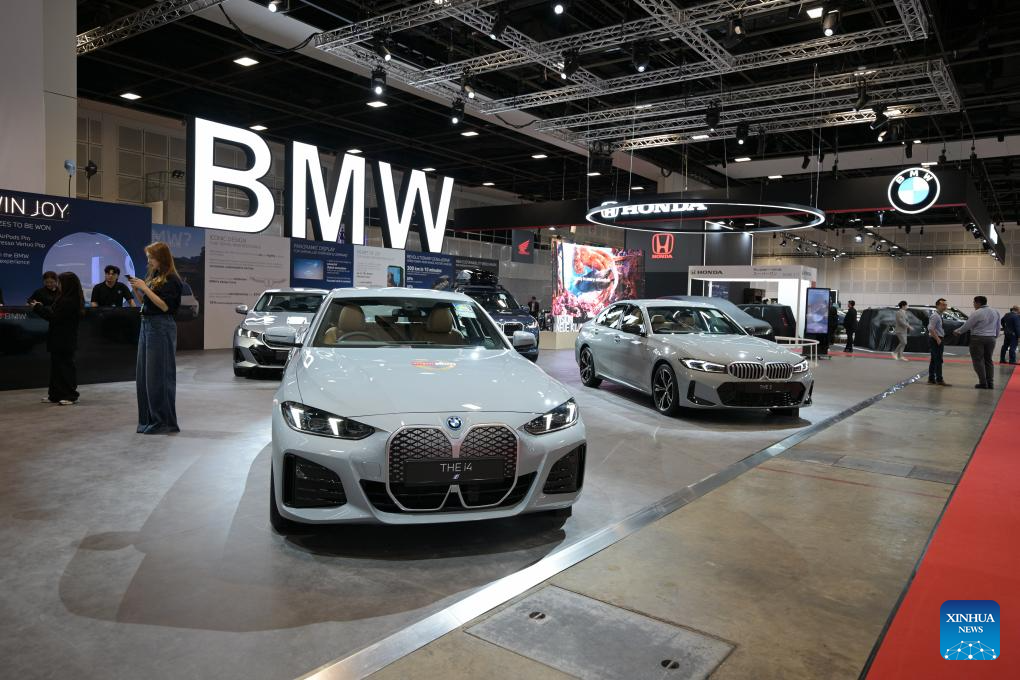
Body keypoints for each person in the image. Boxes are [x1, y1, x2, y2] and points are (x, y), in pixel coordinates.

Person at [128, 242, 182, 434]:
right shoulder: (155, 277)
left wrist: (145, 287)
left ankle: (163, 422)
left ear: (161, 257)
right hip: (148, 325)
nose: (149, 261)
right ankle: (149, 420)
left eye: (152, 257)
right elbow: (148, 303)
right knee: (145, 376)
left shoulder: (172, 280)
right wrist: (138, 291)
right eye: (149, 257)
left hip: (160, 327)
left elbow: (165, 306)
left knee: (159, 375)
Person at [29, 272, 85, 405]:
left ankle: (71, 395)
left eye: (60, 282)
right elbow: (54, 313)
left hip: (65, 339)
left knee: (65, 368)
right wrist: (40, 307)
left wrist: (38, 308)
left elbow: (53, 317)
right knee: (57, 368)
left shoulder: (69, 301)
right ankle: (55, 395)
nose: (57, 285)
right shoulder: (65, 299)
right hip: (58, 338)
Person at [954, 295, 1001, 389]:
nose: (973, 304)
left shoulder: (977, 312)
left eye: (974, 302)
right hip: (991, 338)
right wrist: (995, 336)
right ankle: (990, 383)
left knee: (978, 360)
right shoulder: (995, 312)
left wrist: (958, 331)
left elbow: (968, 325)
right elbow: (998, 326)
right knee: (988, 360)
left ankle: (983, 383)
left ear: (978, 303)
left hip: (978, 339)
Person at [927, 298, 951, 386]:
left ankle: (931, 379)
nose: (945, 306)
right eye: (943, 305)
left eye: (946, 305)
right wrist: (937, 339)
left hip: (937, 338)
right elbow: (930, 328)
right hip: (935, 339)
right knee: (938, 360)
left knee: (934, 360)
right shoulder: (935, 316)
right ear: (937, 305)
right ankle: (939, 379)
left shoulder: (939, 315)